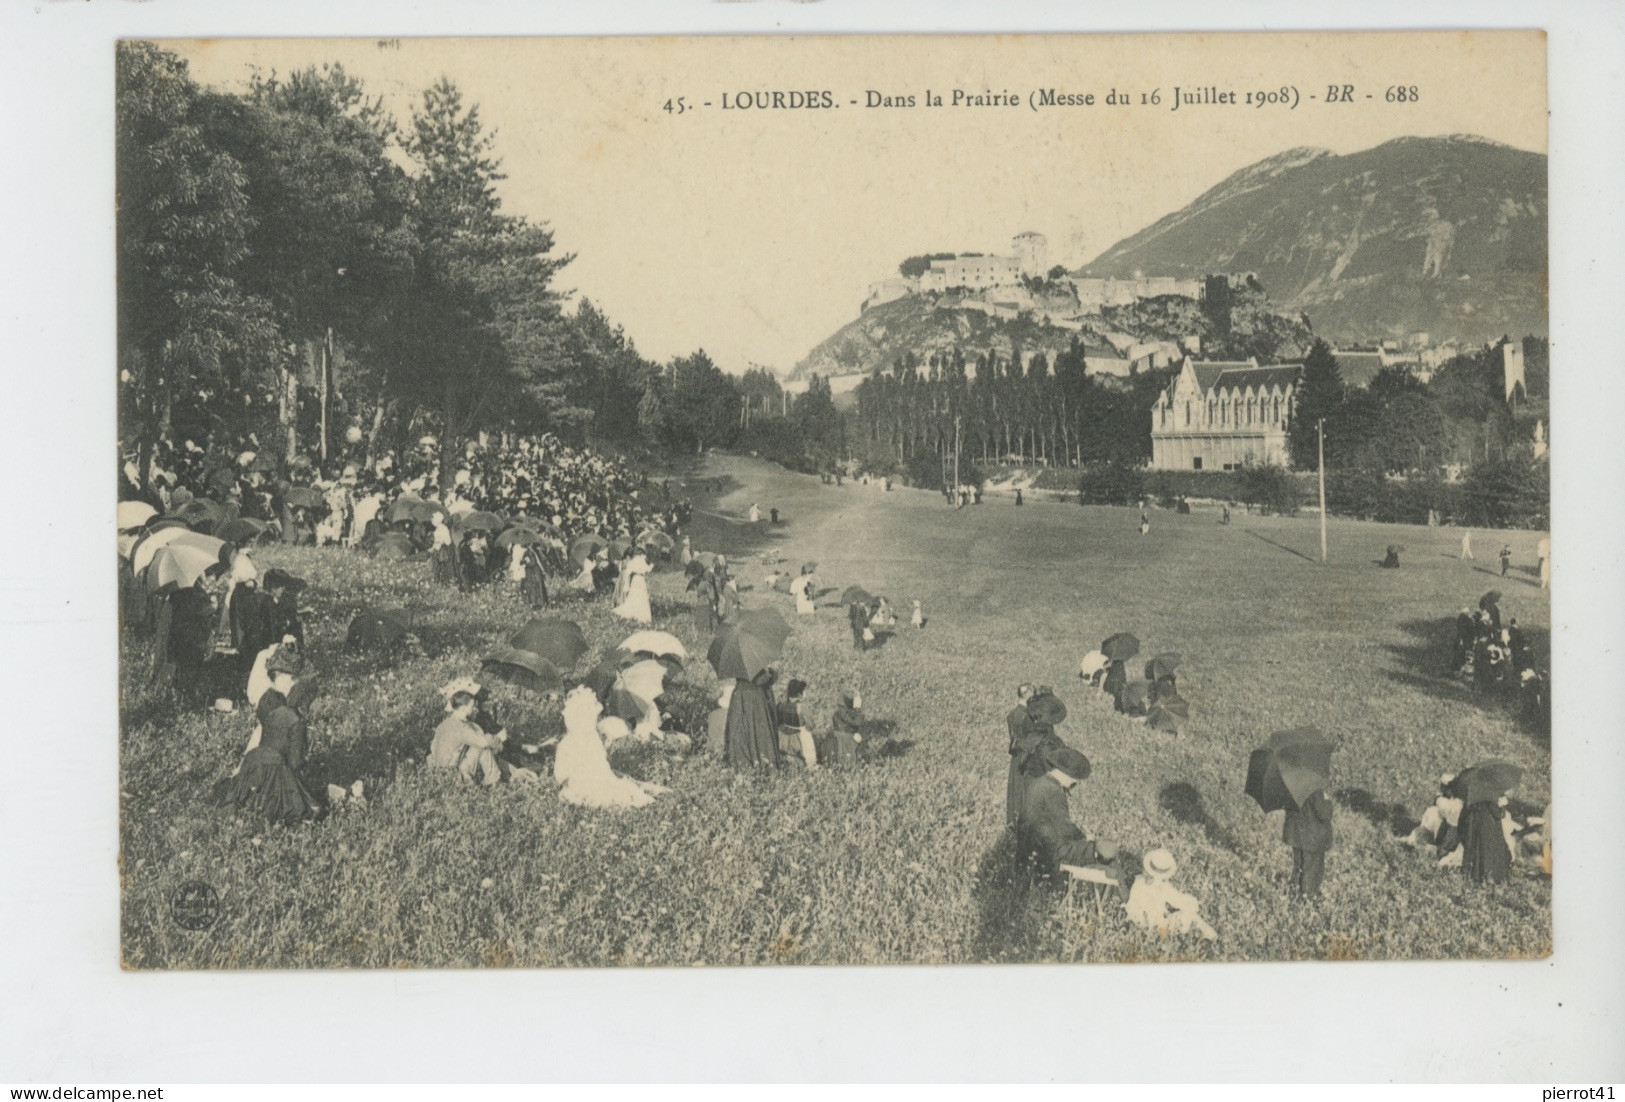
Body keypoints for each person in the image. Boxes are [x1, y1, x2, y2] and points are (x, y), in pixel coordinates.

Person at [211, 648, 321, 823]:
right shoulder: (295, 719)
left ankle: (238, 809)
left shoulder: (268, 702)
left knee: (249, 794)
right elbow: (295, 762)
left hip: (252, 761)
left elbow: (263, 733)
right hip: (275, 767)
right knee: (305, 808)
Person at [554, 686, 670, 808]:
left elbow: (560, 775)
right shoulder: (587, 739)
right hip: (589, 783)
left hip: (582, 783)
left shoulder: (573, 741)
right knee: (619, 789)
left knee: (619, 784)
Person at [1015, 744, 1110, 879]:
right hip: (1044, 851)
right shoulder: (1053, 790)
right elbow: (1064, 827)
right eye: (1074, 778)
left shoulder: (1039, 782)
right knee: (1100, 851)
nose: (1075, 782)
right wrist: (1085, 839)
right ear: (1065, 773)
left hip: (1028, 846)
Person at [1125, 849, 1218, 940]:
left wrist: (1191, 903)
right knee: (1188, 917)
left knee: (1191, 915)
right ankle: (1206, 939)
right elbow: (1135, 911)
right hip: (1149, 926)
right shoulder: (1143, 885)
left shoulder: (1159, 884)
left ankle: (1207, 937)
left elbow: (1177, 899)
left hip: (1155, 923)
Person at [428, 689, 505, 787]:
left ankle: (492, 780)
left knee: (475, 746)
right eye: (472, 706)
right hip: (451, 775)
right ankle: (494, 782)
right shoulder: (462, 728)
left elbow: (433, 748)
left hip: (437, 770)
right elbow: (483, 743)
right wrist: (498, 738)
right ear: (464, 709)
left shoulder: (444, 724)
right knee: (483, 748)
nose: (474, 709)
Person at [724, 667, 782, 769]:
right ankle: (763, 764)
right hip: (757, 699)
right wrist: (770, 672)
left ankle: (744, 765)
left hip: (740, 696)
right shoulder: (762, 682)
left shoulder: (739, 671)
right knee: (761, 734)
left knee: (741, 733)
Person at [1283, 788, 1334, 899]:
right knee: (1312, 869)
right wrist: (1327, 799)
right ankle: (1308, 898)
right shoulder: (1316, 788)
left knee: (1299, 866)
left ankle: (1294, 894)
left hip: (1295, 834)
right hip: (1312, 837)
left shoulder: (1291, 782)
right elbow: (1324, 813)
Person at [1460, 795, 1517, 884]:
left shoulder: (1474, 797)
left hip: (1478, 828)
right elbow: (1499, 814)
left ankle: (1478, 874)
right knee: (1491, 853)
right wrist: (1502, 805)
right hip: (1491, 829)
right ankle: (1490, 876)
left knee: (1481, 851)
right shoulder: (1491, 797)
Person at [777, 678, 818, 769]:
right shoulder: (802, 707)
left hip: (784, 735)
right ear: (800, 693)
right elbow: (810, 726)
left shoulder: (781, 705)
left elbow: (778, 721)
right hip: (799, 736)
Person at [819, 689, 865, 767]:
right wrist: (858, 709)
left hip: (840, 736)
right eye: (858, 699)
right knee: (846, 758)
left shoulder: (844, 711)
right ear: (851, 701)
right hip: (844, 738)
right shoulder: (842, 712)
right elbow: (856, 723)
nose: (860, 700)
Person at [612, 551, 653, 624]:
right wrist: (651, 565)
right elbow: (648, 569)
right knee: (641, 596)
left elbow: (628, 573)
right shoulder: (642, 560)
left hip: (635, 579)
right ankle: (641, 615)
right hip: (641, 579)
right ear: (641, 554)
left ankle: (634, 612)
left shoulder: (632, 561)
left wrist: (627, 585)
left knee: (634, 595)